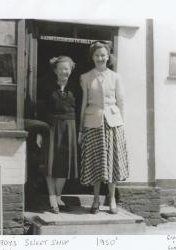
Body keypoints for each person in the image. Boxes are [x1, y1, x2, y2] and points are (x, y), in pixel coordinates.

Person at [78, 41, 129, 214]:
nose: (100, 58)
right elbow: (84, 103)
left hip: (113, 124)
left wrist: (121, 124)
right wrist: (81, 128)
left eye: (103, 55)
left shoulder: (116, 77)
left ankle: (112, 199)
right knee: (96, 162)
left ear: (108, 57)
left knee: (112, 163)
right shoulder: (85, 77)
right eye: (97, 55)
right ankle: (95, 200)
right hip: (93, 123)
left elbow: (121, 102)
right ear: (92, 57)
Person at [37, 56, 78, 214]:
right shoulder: (47, 87)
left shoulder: (76, 88)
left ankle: (59, 195)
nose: (64, 71)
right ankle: (52, 197)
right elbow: (41, 111)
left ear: (71, 70)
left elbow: (80, 110)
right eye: (61, 68)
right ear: (55, 70)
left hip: (70, 127)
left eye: (67, 68)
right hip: (51, 127)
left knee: (64, 163)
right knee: (50, 162)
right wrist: (40, 132)